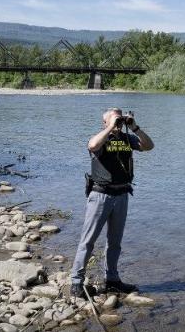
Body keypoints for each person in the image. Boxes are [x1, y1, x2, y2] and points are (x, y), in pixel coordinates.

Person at [70, 107, 154, 300]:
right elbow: (92, 145)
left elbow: (149, 146)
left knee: (115, 242)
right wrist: (110, 128)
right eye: (115, 118)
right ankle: (76, 282)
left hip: (122, 195)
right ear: (105, 122)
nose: (119, 123)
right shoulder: (101, 137)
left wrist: (135, 127)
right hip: (101, 195)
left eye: (120, 118)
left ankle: (112, 280)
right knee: (88, 240)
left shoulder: (128, 139)